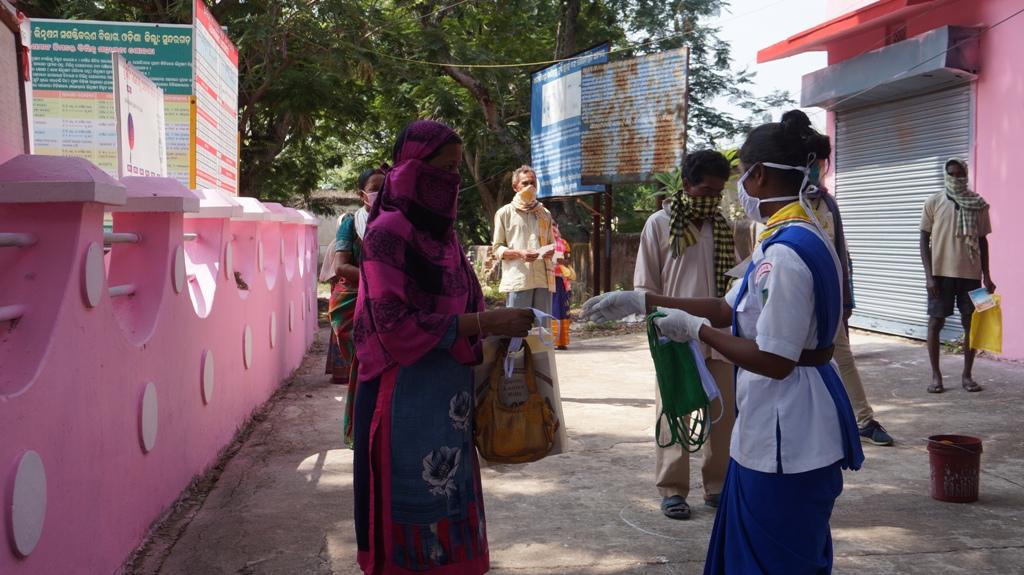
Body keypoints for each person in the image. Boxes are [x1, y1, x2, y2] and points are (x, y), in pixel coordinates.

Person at [582, 110, 864, 574]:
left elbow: (774, 360)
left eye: (740, 175)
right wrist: (641, 298)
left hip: (786, 429)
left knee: (775, 555)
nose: (735, 188)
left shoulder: (785, 254)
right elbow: (729, 306)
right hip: (790, 418)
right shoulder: (797, 236)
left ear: (757, 175)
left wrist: (696, 332)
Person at [351, 120, 534, 575]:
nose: (451, 181)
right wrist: (484, 321)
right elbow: (393, 324)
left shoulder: (444, 237)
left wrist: (496, 324)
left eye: (456, 171)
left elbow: (464, 300)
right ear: (413, 169)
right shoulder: (388, 233)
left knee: (451, 501)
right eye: (443, 169)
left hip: (450, 399)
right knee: (409, 508)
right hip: (403, 396)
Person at [634, 150, 737, 520]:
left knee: (722, 415)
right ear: (687, 184)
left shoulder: (722, 225)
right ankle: (673, 489)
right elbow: (645, 284)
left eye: (718, 191)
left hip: (719, 334)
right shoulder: (660, 225)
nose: (712, 197)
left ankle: (718, 485)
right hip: (675, 334)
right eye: (706, 189)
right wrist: (660, 323)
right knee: (675, 410)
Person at [804, 179, 894, 446]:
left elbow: (841, 252)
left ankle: (864, 420)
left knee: (843, 357)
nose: (816, 167)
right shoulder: (777, 200)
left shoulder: (826, 201)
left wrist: (846, 299)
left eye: (819, 162)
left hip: (827, 292)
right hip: (790, 292)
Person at [920, 158, 996, 394]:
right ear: (946, 176)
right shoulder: (934, 201)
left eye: (960, 173)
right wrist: (929, 277)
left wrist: (988, 276)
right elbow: (924, 239)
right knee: (935, 323)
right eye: (951, 174)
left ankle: (967, 375)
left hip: (971, 275)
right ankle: (936, 375)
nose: (955, 178)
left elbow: (983, 241)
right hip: (940, 274)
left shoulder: (978, 204)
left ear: (966, 175)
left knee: (972, 325)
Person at [327, 167, 384, 444]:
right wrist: (378, 280)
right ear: (362, 195)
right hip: (353, 302)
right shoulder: (352, 222)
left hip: (386, 303)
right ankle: (361, 433)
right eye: (375, 187)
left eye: (386, 186)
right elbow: (341, 266)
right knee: (363, 367)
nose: (381, 192)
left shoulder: (399, 221)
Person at [492, 166, 554, 314]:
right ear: (515, 187)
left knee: (542, 330)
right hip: (519, 280)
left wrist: (550, 250)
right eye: (525, 183)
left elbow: (552, 244)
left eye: (533, 183)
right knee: (517, 329)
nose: (530, 187)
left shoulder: (544, 213)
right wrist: (520, 253)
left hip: (543, 280)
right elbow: (497, 249)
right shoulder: (504, 213)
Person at [550, 222, 575, 350]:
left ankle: (562, 341)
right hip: (546, 280)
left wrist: (561, 261)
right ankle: (552, 340)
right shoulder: (543, 242)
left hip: (560, 280)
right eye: (551, 226)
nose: (554, 229)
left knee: (561, 310)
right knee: (551, 309)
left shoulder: (563, 243)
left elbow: (568, 259)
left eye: (555, 226)